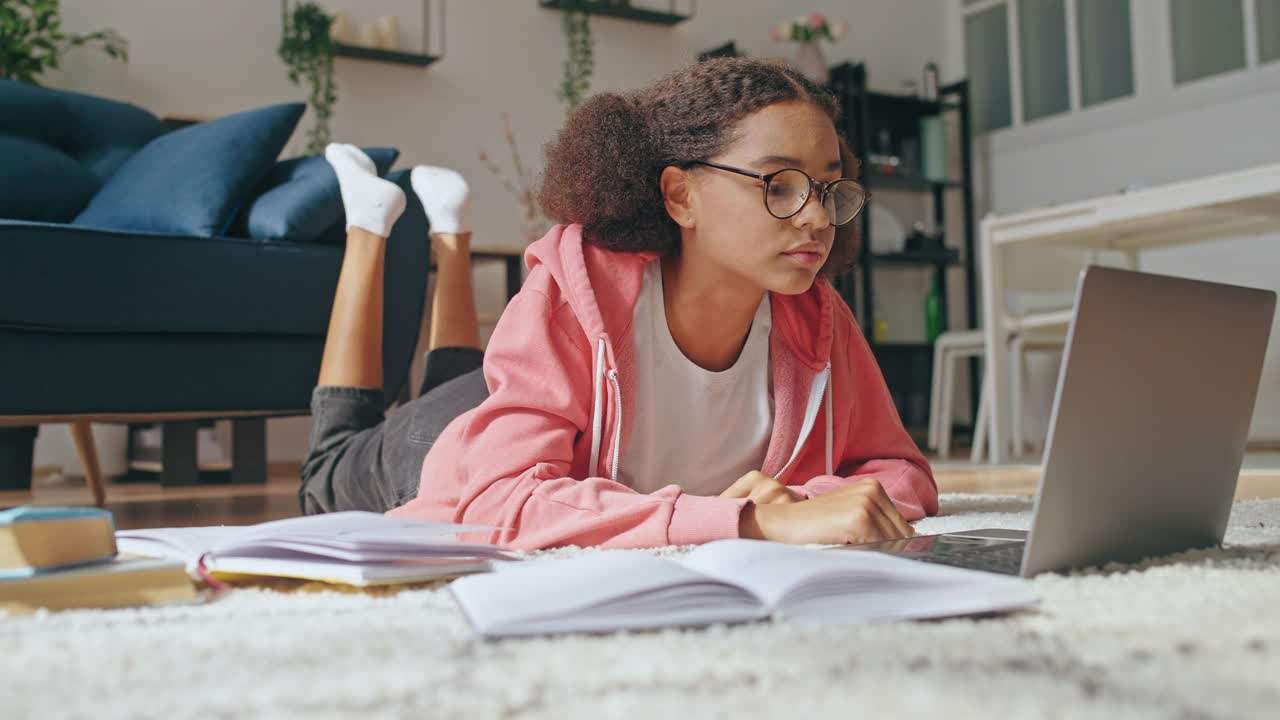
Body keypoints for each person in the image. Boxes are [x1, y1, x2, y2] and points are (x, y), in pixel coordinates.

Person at [301, 57, 939, 550]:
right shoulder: (576, 292)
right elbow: (500, 502)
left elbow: (904, 470)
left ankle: (451, 229)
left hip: (532, 401)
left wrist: (806, 499)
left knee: (452, 380)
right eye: (780, 184)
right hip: (443, 449)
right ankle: (370, 223)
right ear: (680, 195)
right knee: (329, 463)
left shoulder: (818, 318)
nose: (815, 216)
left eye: (828, 189)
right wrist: (749, 522)